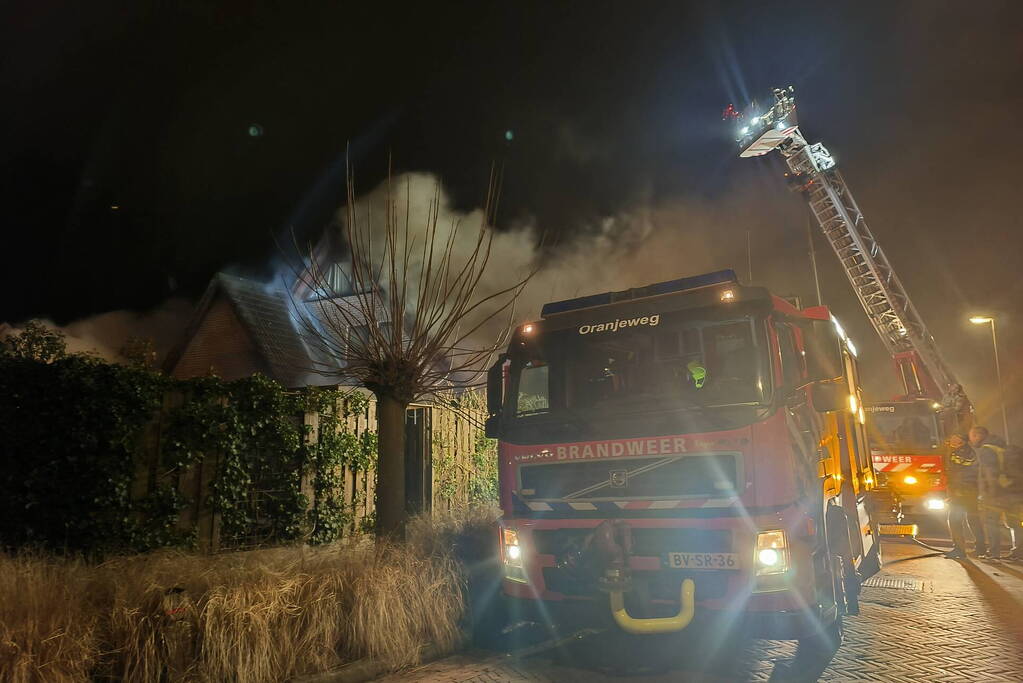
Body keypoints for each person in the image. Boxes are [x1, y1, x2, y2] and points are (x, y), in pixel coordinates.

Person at [971, 426, 1018, 560]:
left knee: (992, 522)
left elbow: (990, 474)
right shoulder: (1004, 447)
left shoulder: (987, 451)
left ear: (979, 435)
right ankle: (1019, 552)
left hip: (996, 493)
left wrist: (988, 495)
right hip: (1012, 491)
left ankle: (994, 553)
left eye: (972, 437)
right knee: (1014, 523)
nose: (972, 440)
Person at [944, 433, 986, 559]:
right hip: (969, 492)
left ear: (961, 441)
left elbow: (959, 474)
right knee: (973, 520)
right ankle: (980, 548)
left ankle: (959, 550)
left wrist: (956, 491)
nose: (950, 439)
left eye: (954, 437)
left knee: (955, 520)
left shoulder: (960, 454)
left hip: (962, 493)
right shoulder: (967, 452)